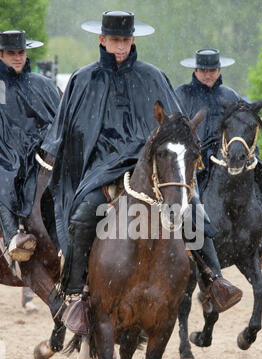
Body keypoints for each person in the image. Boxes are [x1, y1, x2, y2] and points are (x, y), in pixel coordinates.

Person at [42, 11, 242, 322]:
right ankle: (75, 295)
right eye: (114, 40)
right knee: (82, 217)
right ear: (102, 39)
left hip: (150, 168)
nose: (120, 46)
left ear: (133, 39)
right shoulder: (83, 80)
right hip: (102, 170)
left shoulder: (153, 77)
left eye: (125, 40)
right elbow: (68, 133)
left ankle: (213, 280)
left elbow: (178, 128)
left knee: (191, 211)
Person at [175, 48, 262, 266]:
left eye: (212, 70)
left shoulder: (230, 95)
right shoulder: (182, 94)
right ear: (195, 69)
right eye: (203, 70)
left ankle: (257, 242)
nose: (208, 74)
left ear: (219, 69)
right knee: (187, 196)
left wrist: (253, 155)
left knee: (254, 183)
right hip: (194, 157)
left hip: (227, 156)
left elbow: (244, 125)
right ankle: (182, 243)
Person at [0, 30, 60, 261]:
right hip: (4, 152)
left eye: (21, 52)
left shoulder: (42, 84)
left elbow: (57, 120)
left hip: (39, 150)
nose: (17, 57)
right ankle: (13, 234)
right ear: (1, 54)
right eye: (11, 53)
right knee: (4, 175)